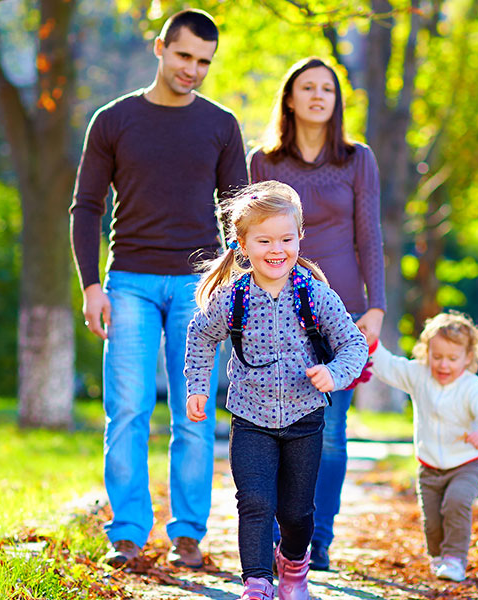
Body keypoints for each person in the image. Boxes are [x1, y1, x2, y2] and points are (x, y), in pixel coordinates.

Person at [69, 8, 247, 569]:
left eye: (204, 62)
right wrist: (92, 286)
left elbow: (237, 216)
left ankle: (188, 533)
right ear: (160, 48)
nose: (193, 69)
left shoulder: (221, 125)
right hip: (129, 284)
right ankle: (126, 533)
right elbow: (87, 207)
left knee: (194, 414)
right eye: (184, 56)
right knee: (127, 409)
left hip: (199, 290)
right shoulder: (114, 120)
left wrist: (232, 289)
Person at [183, 181, 369, 600]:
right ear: (243, 245)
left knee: (297, 513)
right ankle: (257, 582)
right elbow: (200, 336)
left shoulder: (313, 294)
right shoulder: (233, 297)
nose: (276, 249)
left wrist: (335, 374)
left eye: (286, 238)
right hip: (250, 418)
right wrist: (198, 386)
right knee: (253, 501)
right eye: (264, 240)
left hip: (305, 419)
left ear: (300, 237)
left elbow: (353, 344)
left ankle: (294, 568)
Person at [248, 56, 386, 571]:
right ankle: (285, 536)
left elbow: (369, 233)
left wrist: (376, 307)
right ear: (289, 97)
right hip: (275, 307)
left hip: (344, 309)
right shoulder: (263, 161)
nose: (317, 95)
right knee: (277, 423)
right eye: (307, 87)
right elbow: (247, 233)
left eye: (327, 88)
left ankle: (316, 538)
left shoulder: (357, 158)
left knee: (331, 429)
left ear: (336, 100)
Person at [368, 311, 478, 583]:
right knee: (432, 520)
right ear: (426, 352)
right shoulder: (419, 375)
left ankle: (454, 559)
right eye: (437, 356)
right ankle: (438, 556)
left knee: (456, 502)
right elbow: (389, 367)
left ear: (468, 358)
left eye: (453, 359)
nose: (443, 365)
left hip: (466, 464)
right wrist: (371, 344)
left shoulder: (472, 387)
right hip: (429, 467)